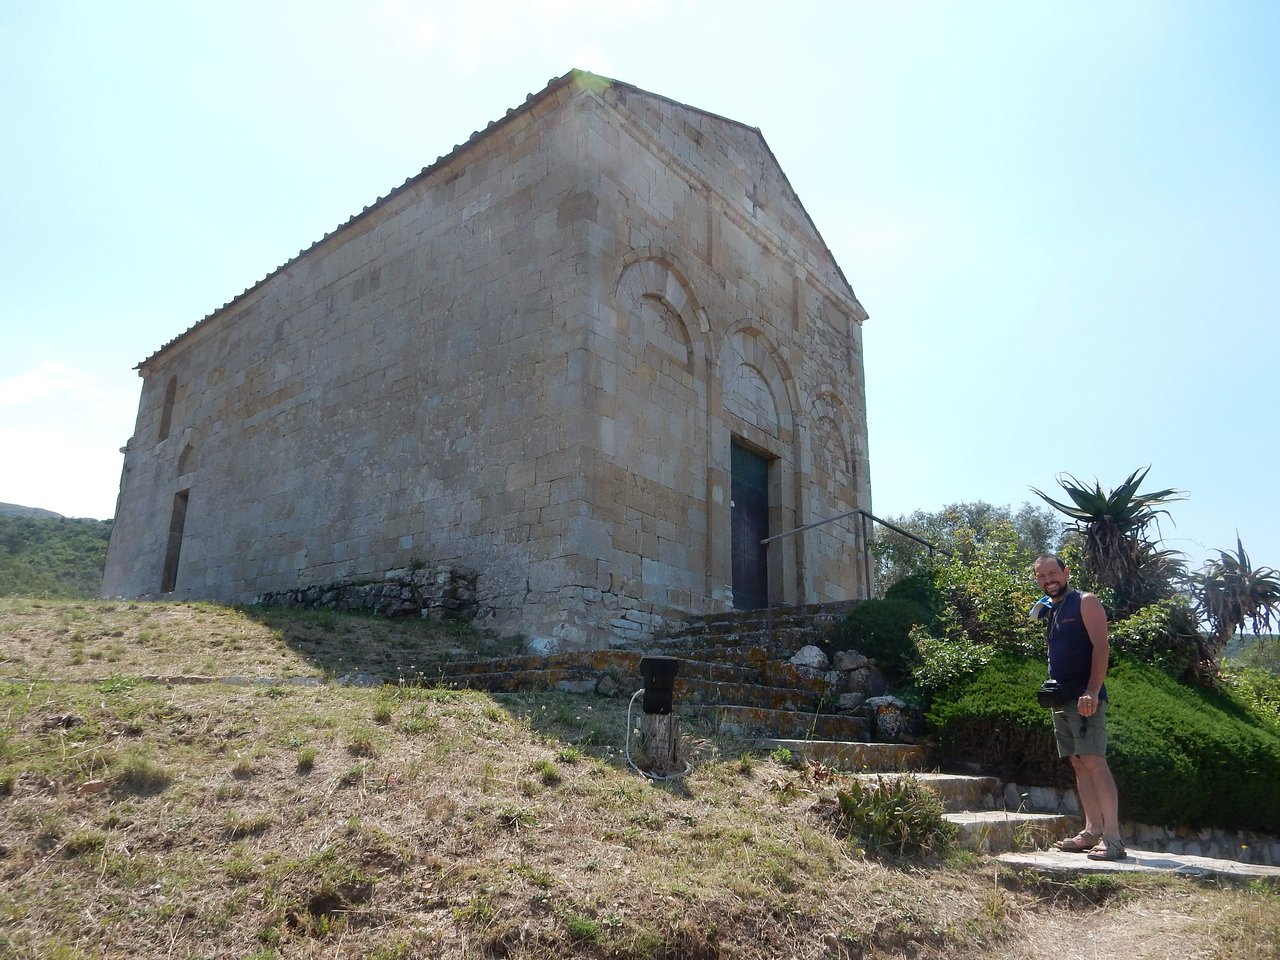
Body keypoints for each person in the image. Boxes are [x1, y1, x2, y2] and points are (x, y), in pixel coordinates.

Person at [1032, 553, 1126, 861]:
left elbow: (1101, 646)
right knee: (1078, 762)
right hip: (1061, 698)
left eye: (1052, 573)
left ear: (1065, 572)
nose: (1048, 580)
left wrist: (1093, 690)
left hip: (1085, 697)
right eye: (1041, 576)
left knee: (1094, 761)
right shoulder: (1051, 608)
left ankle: (1112, 840)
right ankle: (1091, 830)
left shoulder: (1085, 601)